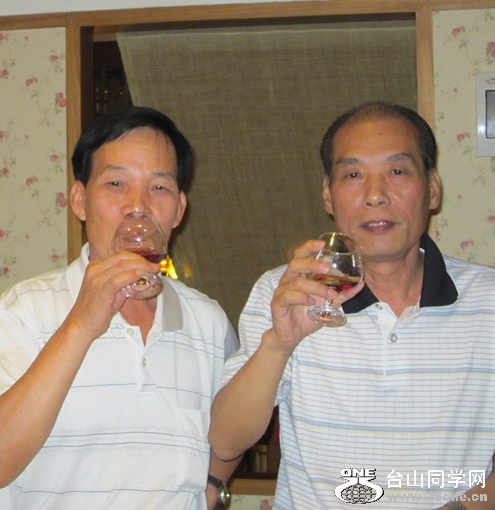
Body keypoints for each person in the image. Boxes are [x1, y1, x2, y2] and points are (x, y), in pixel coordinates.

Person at [210, 102, 495, 509]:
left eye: (397, 171)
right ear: (328, 195)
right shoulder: (284, 292)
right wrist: (279, 343)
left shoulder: (488, 300)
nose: (375, 195)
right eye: (353, 175)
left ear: (432, 189)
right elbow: (225, 442)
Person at [0, 106, 240, 509]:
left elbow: (233, 430)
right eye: (115, 183)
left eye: (159, 187)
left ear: (180, 209)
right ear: (79, 200)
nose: (138, 206)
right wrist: (79, 325)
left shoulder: (209, 322)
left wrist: (213, 484)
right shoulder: (23, 310)